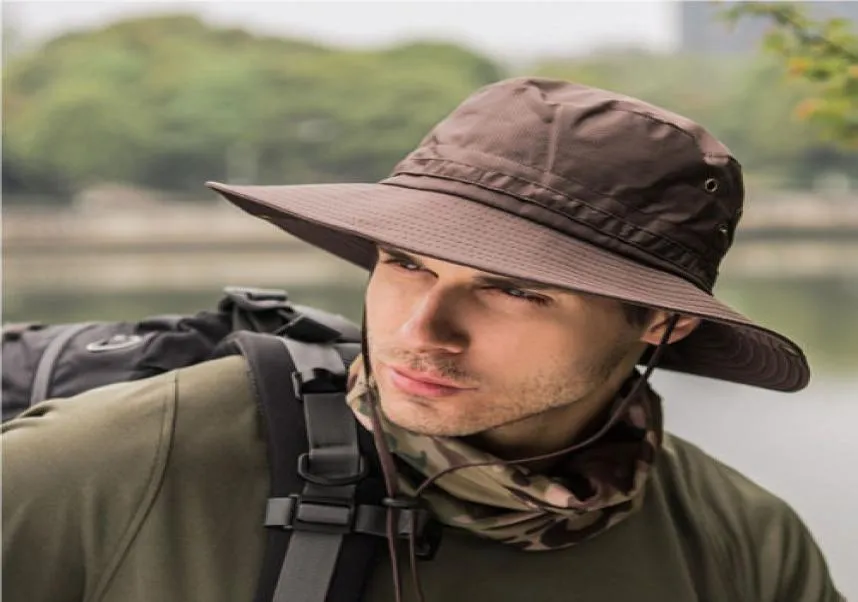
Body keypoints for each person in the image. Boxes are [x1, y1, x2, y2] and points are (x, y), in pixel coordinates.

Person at [2, 77, 844, 602]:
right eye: (406, 263)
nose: (421, 330)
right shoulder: (127, 460)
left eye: (513, 289)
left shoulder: (739, 540)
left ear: (662, 323)